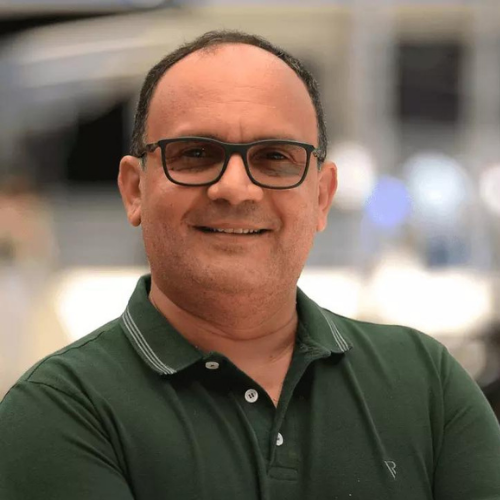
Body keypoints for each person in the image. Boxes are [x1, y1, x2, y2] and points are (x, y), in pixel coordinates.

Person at [1, 30, 499, 500]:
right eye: (195, 153)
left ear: (322, 197)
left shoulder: (425, 383)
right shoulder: (58, 410)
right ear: (135, 190)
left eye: (275, 157)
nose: (236, 189)